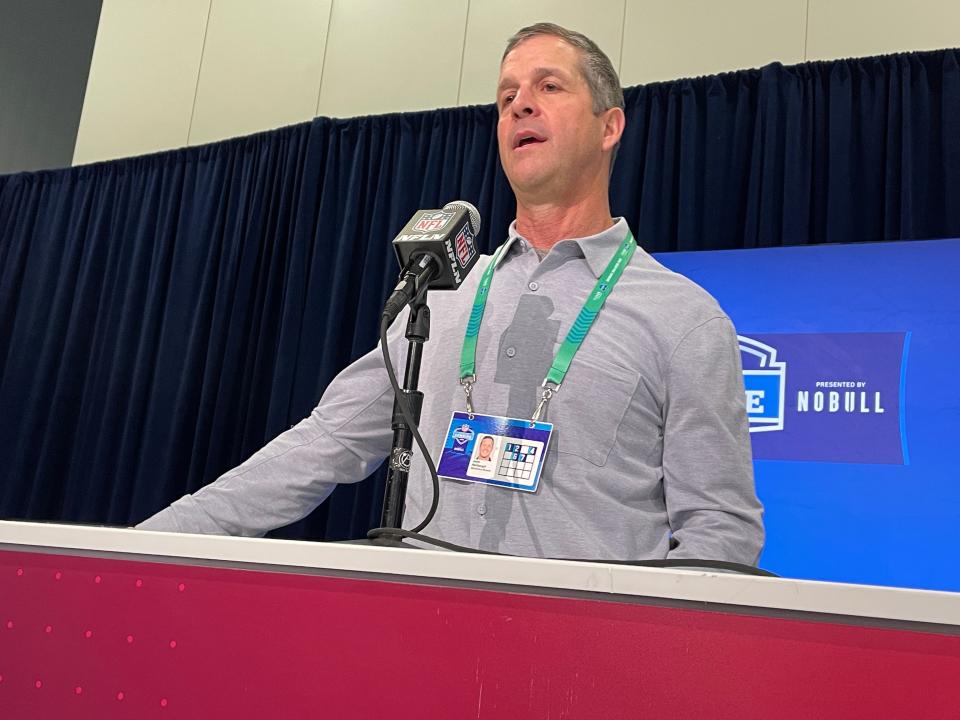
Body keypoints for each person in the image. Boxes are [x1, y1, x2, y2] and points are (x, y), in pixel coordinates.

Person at [139, 23, 764, 564]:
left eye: (549, 87)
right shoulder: (437, 300)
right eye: (506, 97)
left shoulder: (684, 318)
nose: (520, 106)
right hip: (423, 648)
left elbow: (721, 532)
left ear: (610, 127)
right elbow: (320, 447)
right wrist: (148, 544)